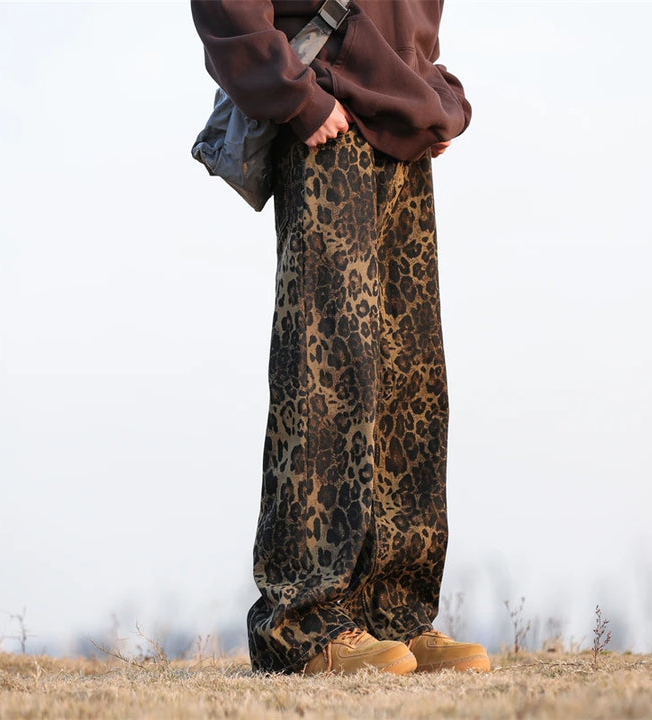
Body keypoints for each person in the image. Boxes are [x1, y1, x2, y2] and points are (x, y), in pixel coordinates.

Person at [191, 0, 490, 675]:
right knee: (325, 371)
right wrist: (294, 95)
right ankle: (303, 626)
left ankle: (395, 613)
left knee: (411, 374)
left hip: (400, 120)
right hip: (325, 112)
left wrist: (427, 88)